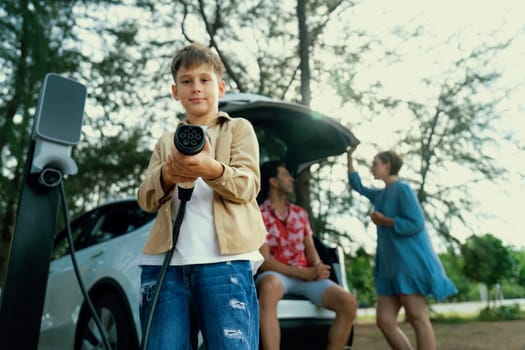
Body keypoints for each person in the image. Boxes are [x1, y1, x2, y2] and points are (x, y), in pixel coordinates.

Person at [137, 42, 267, 349]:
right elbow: (145, 198)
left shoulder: (238, 129)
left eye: (204, 80)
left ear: (220, 88)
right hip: (164, 268)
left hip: (224, 263)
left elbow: (249, 186)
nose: (196, 88)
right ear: (175, 91)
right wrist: (168, 174)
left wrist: (211, 169)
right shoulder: (167, 141)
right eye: (187, 81)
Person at [346, 146, 457, 350]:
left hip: (408, 263)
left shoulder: (403, 189)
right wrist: (349, 156)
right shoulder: (380, 195)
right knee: (385, 320)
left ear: (388, 165)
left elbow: (416, 223)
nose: (372, 168)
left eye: (375, 164)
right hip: (389, 266)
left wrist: (385, 220)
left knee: (417, 317)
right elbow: (357, 186)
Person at [255, 160, 357, 350]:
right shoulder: (259, 214)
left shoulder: (300, 214)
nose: (291, 179)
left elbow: (310, 250)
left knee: (348, 302)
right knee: (268, 287)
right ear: (273, 182)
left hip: (306, 275)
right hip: (278, 275)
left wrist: (317, 267)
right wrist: (303, 273)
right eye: (286, 175)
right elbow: (265, 262)